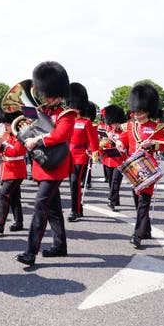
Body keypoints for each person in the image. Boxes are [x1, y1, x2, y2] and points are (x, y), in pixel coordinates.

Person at [16, 61, 74, 266]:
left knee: (40, 205)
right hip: (43, 164)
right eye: (45, 94)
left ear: (59, 95)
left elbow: (61, 134)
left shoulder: (67, 114)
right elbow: (31, 130)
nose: (46, 98)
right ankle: (60, 245)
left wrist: (38, 139)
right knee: (54, 208)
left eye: (49, 95)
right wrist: (26, 131)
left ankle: (31, 251)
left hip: (56, 166)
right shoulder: (44, 112)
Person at [116, 83, 164, 249]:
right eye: (135, 111)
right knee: (136, 200)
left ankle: (137, 234)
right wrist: (119, 142)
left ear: (147, 110)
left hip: (147, 167)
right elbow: (123, 139)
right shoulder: (130, 126)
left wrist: (152, 144)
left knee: (143, 202)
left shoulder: (156, 127)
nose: (136, 114)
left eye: (140, 111)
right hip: (133, 168)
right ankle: (146, 230)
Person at [0, 110, 26, 233]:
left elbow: (16, 151)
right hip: (7, 170)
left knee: (4, 195)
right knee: (14, 197)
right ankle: (18, 222)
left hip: (16, 171)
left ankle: (0, 223)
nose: (5, 126)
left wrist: (3, 144)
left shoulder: (21, 135)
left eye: (7, 124)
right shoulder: (7, 135)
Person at [67, 83, 97, 222]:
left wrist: (93, 153)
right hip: (68, 155)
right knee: (72, 183)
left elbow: (93, 141)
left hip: (80, 155)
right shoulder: (67, 121)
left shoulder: (86, 122)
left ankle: (74, 211)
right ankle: (78, 208)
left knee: (74, 181)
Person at [99, 104, 127, 210]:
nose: (115, 125)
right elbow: (102, 146)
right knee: (111, 181)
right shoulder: (107, 131)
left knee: (115, 181)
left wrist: (114, 140)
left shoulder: (124, 132)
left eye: (117, 123)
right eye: (113, 123)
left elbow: (124, 145)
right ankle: (116, 198)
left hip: (119, 160)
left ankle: (111, 200)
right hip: (108, 159)